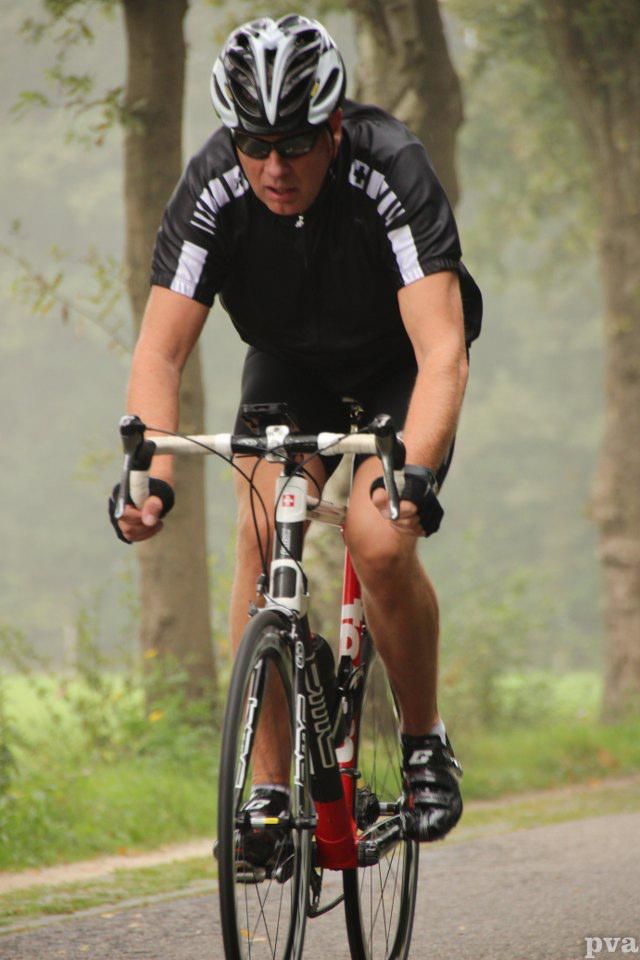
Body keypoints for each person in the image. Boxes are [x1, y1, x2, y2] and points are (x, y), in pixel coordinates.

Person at [110, 14, 482, 856]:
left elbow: (442, 351)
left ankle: (424, 739)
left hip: (398, 365)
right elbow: (159, 351)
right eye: (255, 144)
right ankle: (269, 794)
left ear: (335, 128)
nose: (274, 168)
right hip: (290, 367)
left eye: (296, 144)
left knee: (377, 541)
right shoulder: (212, 185)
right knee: (256, 532)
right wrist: (150, 473)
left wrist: (416, 473)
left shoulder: (392, 167)